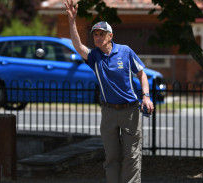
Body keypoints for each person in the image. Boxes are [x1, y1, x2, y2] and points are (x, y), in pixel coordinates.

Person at [64, 0, 154, 182]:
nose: (97, 37)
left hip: (130, 110)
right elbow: (77, 45)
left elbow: (142, 75)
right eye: (95, 34)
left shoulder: (126, 51)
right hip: (108, 112)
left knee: (132, 156)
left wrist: (146, 97)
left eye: (101, 34)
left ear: (110, 36)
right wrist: (72, 20)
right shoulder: (94, 56)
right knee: (111, 157)